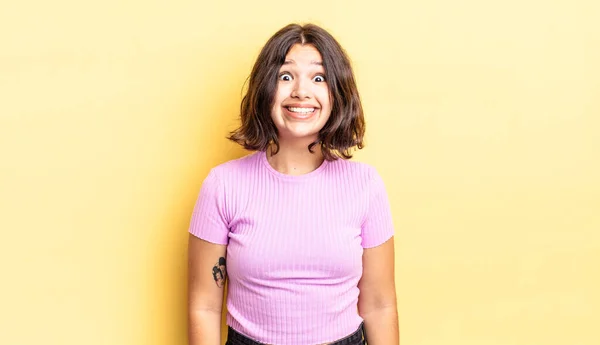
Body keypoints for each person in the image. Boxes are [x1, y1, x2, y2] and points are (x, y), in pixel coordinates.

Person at [188, 23, 398, 345]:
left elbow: (380, 306)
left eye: (319, 78)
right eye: (286, 77)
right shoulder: (222, 185)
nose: (301, 91)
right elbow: (203, 306)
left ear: (337, 93)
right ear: (264, 89)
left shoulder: (365, 185)